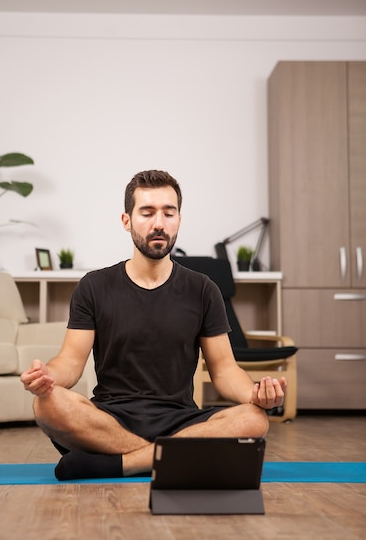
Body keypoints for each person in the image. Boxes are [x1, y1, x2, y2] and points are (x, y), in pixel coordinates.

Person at [21, 170, 286, 480]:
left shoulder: (203, 289)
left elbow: (225, 371)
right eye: (147, 212)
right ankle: (171, 457)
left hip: (180, 419)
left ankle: (122, 464)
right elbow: (70, 361)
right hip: (110, 418)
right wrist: (47, 378)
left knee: (255, 420)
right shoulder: (93, 286)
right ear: (127, 220)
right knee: (46, 406)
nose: (159, 223)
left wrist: (255, 395)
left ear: (178, 220)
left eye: (168, 213)